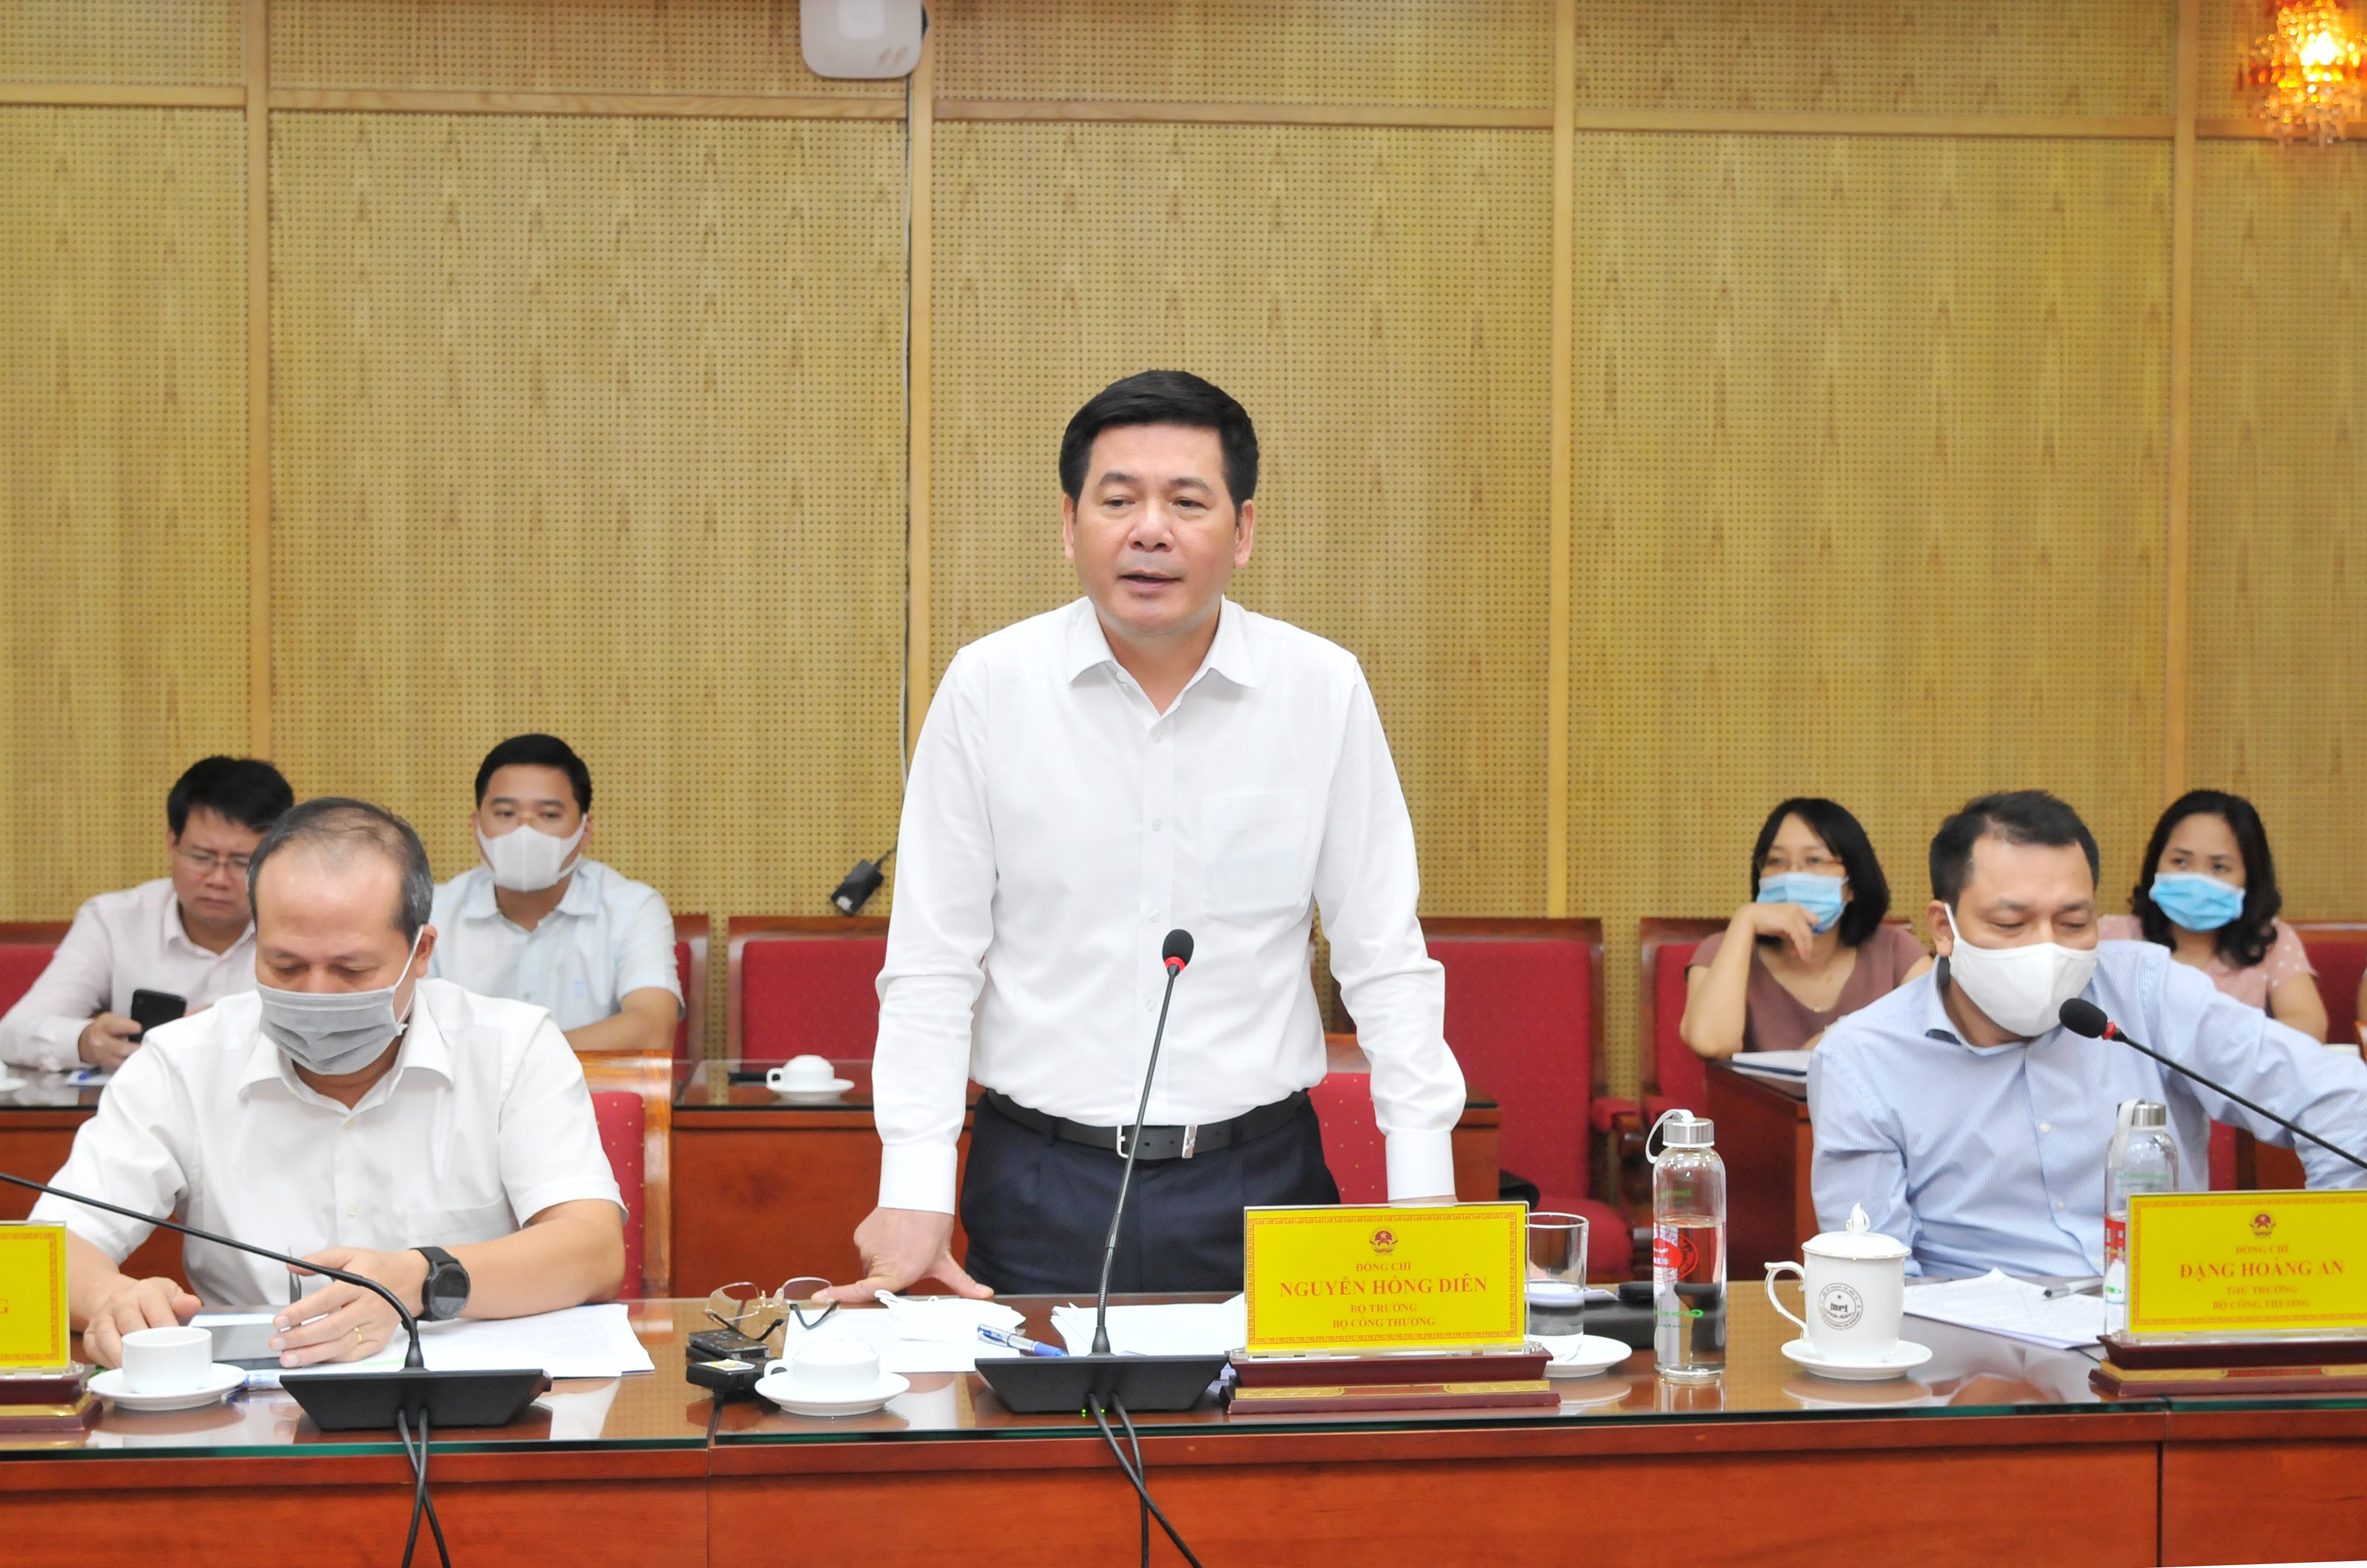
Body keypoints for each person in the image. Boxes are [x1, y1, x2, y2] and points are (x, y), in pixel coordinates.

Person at [823, 370, 1465, 1304]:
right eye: (1118, 499)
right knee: (1035, 1402)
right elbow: (932, 959)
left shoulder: (1319, 688)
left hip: (1262, 1180)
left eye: (1188, 502)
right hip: (1040, 1183)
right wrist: (916, 1183)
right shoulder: (989, 687)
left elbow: (1383, 954)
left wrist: (1424, 1188)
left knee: (1279, 1409)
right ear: (1069, 524)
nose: (1150, 530)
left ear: (1243, 531)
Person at [34, 797, 626, 1369]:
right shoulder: (183, 1061)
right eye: (286, 965)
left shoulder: (511, 1048)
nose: (316, 993)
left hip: (462, 1399)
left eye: (351, 968)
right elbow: (48, 1253)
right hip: (255, 1396)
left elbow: (592, 1249)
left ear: (421, 951)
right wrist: (110, 1298)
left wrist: (421, 1277)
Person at [1810, 790, 2367, 1279]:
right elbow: (1874, 1273)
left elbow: (2346, 1103)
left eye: (2074, 923)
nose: (2047, 947)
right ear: (1944, 929)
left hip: (2159, 1331)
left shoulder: (2147, 992)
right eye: (2011, 923)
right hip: (1981, 1350)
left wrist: (2317, 1263)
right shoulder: (1863, 1060)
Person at [0, 757, 293, 1073]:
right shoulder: (113, 921)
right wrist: (85, 1041)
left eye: (242, 862)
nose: (218, 879)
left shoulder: (303, 928)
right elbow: (14, 1033)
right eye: (202, 857)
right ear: (172, 844)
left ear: (274, 858)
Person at [427, 734, 681, 1056]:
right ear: (476, 826)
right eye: (505, 814)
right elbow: (406, 1032)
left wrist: (516, 1060)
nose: (525, 832)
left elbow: (652, 1028)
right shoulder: (432, 912)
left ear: (585, 831)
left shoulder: (631, 909)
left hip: (587, 1090)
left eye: (548, 815)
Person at [1680, 797, 1931, 1058]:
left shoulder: (1894, 951)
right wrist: (1746, 919)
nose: (1792, 875)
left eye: (1814, 860)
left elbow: (1940, 1043)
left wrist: (1837, 1038)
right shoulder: (1724, 950)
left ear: (1853, 884)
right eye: (1776, 861)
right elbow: (1712, 1043)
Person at [2099, 790, 2328, 1043]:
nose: (2197, 880)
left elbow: (2309, 1025)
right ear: (2156, 862)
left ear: (2250, 877)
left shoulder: (2271, 941)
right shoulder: (2111, 936)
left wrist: (2218, 1045)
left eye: (2219, 867)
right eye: (2180, 862)